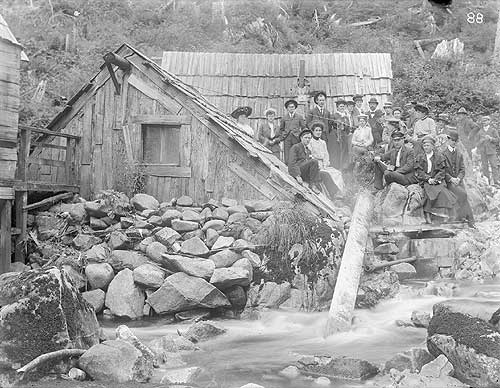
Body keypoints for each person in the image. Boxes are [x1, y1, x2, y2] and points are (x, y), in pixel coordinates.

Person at [415, 136, 457, 224]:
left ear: (433, 146)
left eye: (428, 145)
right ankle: (427, 214)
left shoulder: (439, 156)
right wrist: (428, 179)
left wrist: (436, 179)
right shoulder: (420, 157)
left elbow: (442, 171)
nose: (426, 147)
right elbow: (419, 171)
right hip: (425, 180)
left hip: (437, 180)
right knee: (429, 192)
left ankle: (444, 214)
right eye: (424, 146)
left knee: (443, 192)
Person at [442, 129, 475, 227]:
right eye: (451, 140)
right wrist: (451, 179)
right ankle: (470, 220)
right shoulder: (442, 154)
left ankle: (463, 217)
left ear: (457, 142)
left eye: (455, 141)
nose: (453, 142)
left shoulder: (459, 154)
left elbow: (462, 169)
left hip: (458, 181)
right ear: (448, 140)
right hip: (448, 181)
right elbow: (442, 170)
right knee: (463, 194)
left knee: (464, 195)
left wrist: (459, 179)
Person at [308, 121, 345, 198]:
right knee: (327, 174)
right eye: (316, 130)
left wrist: (325, 163)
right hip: (315, 164)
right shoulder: (310, 142)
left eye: (320, 130)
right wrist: (318, 160)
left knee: (337, 173)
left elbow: (326, 155)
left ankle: (340, 192)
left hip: (324, 164)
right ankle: (333, 194)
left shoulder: (323, 142)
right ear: (313, 131)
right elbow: (310, 155)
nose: (318, 132)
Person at [288, 129, 321, 194]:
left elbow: (309, 165)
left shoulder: (308, 151)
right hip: (298, 170)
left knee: (323, 174)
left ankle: (315, 185)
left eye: (309, 138)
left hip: (305, 172)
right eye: (305, 138)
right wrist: (297, 176)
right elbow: (292, 163)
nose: (307, 140)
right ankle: (312, 185)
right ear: (301, 138)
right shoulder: (295, 147)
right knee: (314, 161)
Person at [276, 99, 306, 164]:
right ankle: (287, 167)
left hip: (296, 138)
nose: (291, 108)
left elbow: (303, 128)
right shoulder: (284, 118)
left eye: (293, 107)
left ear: (295, 108)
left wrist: (301, 136)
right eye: (289, 107)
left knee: (296, 153)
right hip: (287, 138)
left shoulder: (299, 117)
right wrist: (283, 136)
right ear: (287, 108)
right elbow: (281, 129)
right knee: (287, 154)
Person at [477, 115, 500, 186]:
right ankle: (487, 182)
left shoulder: (493, 130)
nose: (484, 122)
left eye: (486, 121)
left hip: (491, 151)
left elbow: (498, 140)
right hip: (483, 151)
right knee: (485, 166)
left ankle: (496, 181)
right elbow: (476, 143)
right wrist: (480, 141)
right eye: (483, 121)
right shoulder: (480, 131)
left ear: (489, 121)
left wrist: (491, 139)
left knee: (494, 166)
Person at [331, 99, 352, 169]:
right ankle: (337, 166)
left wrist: (346, 127)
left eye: (343, 106)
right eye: (340, 106)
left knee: (345, 150)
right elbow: (331, 125)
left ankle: (344, 166)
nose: (342, 108)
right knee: (338, 151)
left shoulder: (346, 117)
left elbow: (348, 127)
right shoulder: (334, 115)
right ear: (337, 107)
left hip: (344, 135)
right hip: (337, 136)